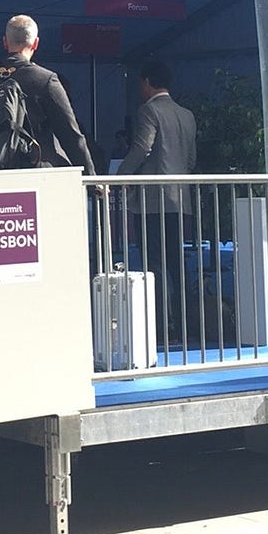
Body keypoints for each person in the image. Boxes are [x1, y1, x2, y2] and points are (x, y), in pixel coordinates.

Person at [117, 59, 197, 342]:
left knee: (154, 264)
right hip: (181, 199)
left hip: (153, 200)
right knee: (178, 264)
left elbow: (142, 148)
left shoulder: (149, 110)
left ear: (147, 82)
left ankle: (161, 328)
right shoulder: (186, 114)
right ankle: (189, 327)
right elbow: (191, 159)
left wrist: (120, 176)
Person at [0, 15, 95, 174]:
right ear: (36, 43)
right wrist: (92, 181)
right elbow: (70, 135)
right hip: (36, 171)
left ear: (5, 42)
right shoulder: (45, 80)